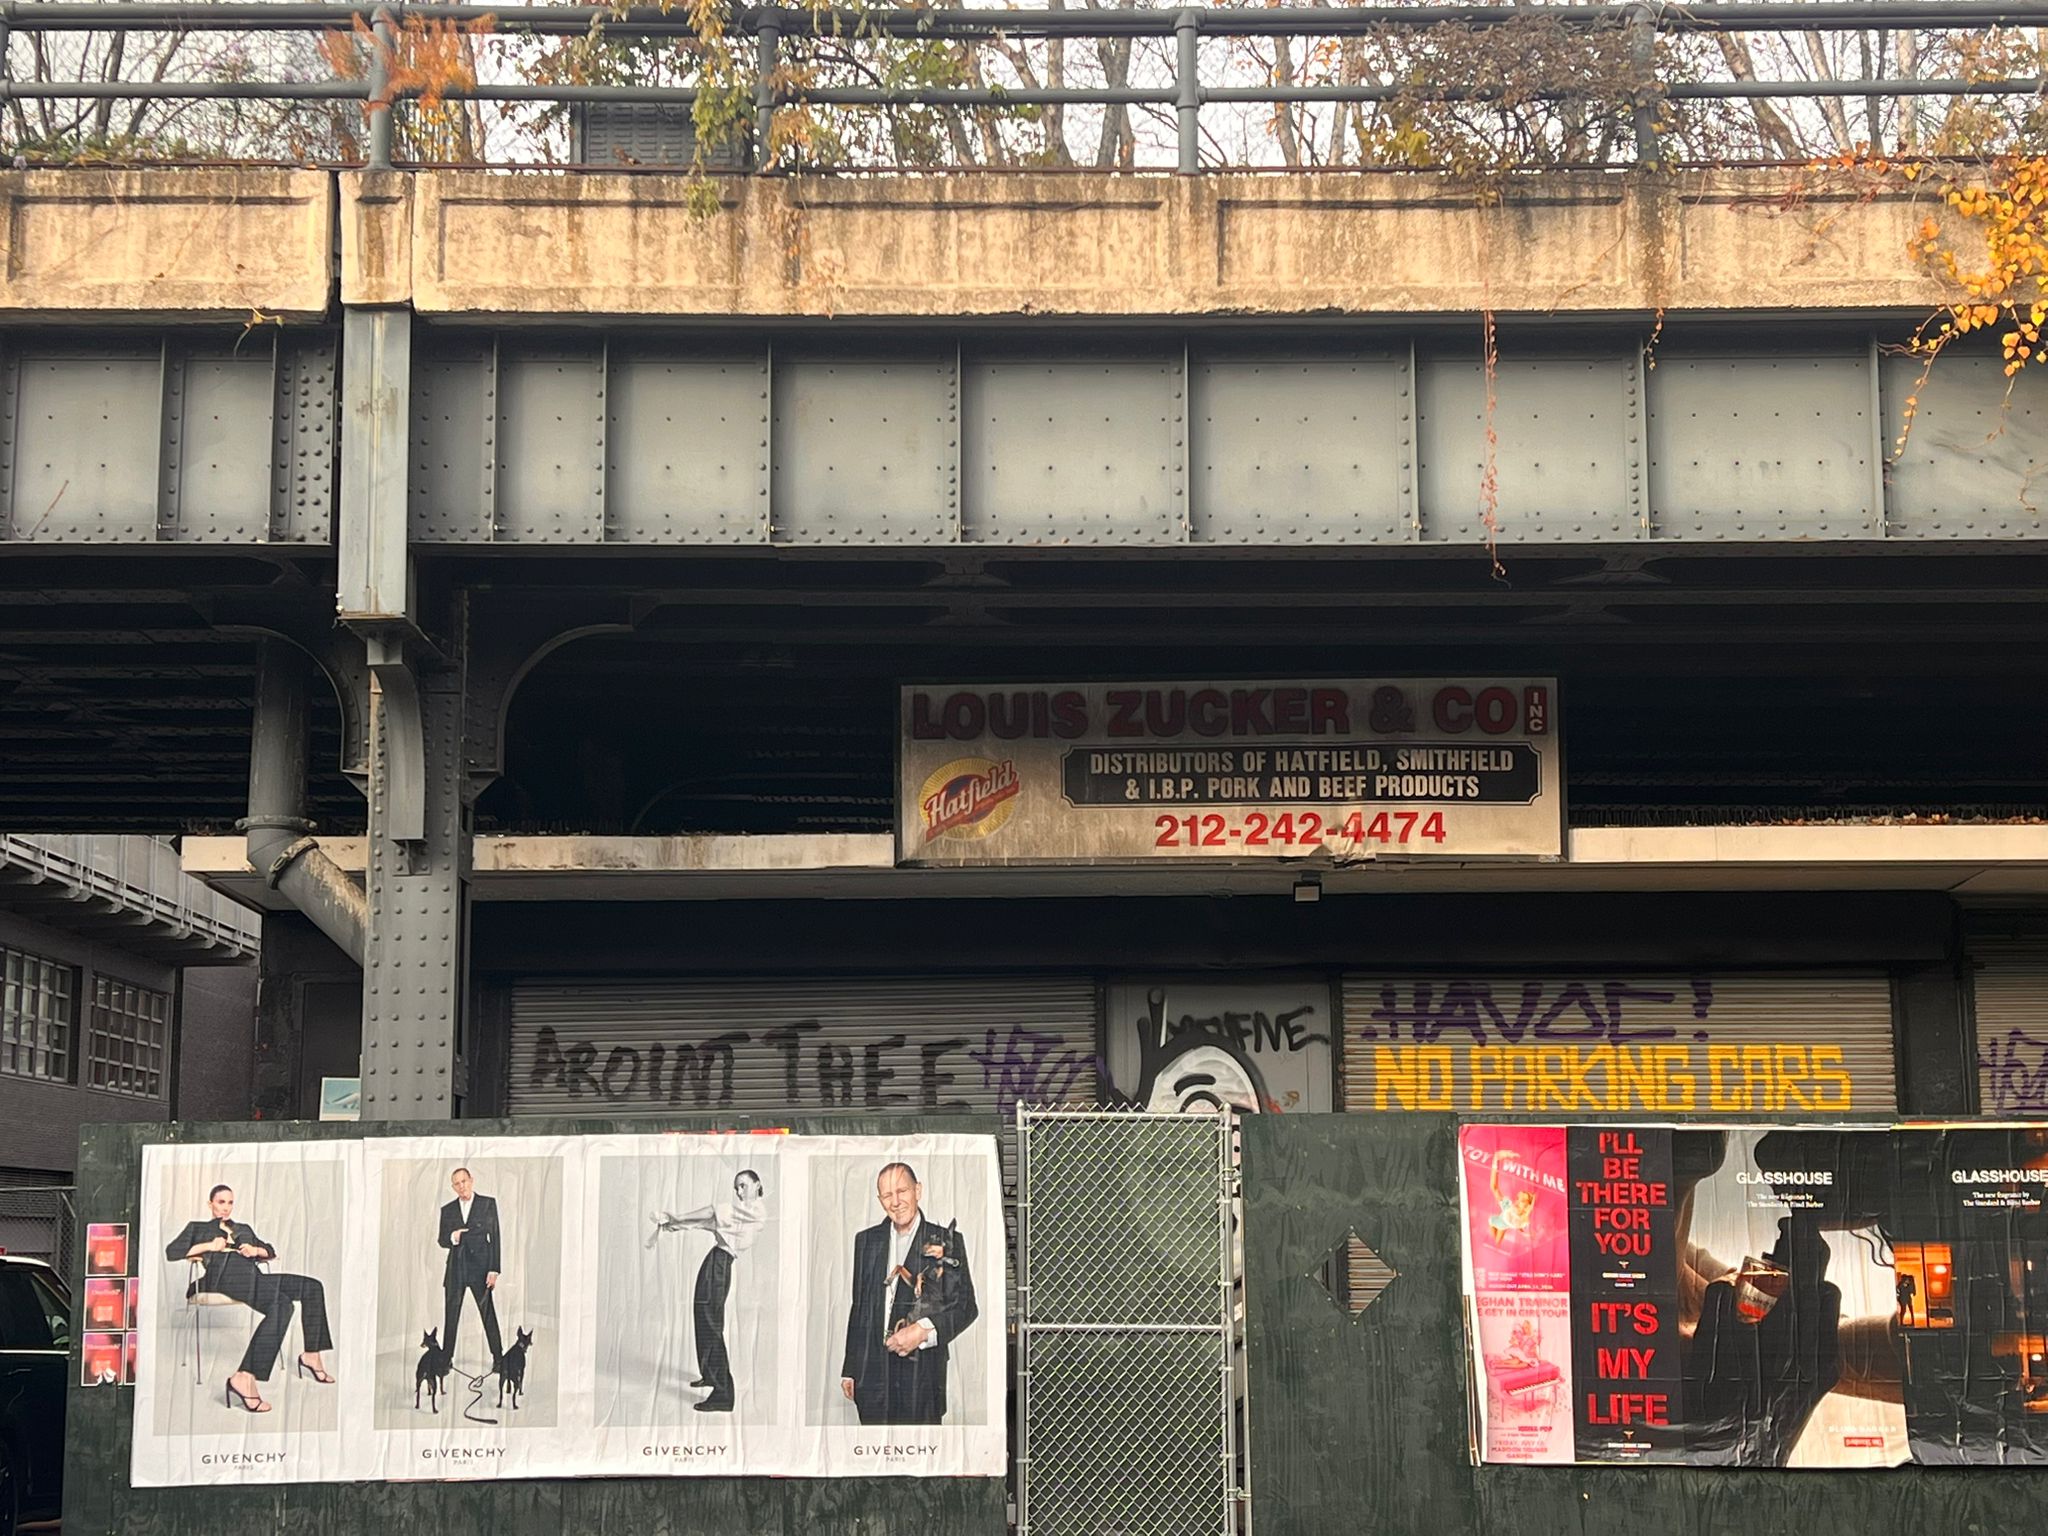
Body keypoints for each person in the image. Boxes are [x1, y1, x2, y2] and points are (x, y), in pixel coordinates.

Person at [166, 1183, 334, 1413]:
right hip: (225, 1275)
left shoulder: (242, 1228)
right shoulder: (198, 1228)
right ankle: (244, 1377)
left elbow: (269, 1251)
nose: (226, 1207)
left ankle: (311, 1355)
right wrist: (209, 1246)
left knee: (312, 1287)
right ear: (210, 1204)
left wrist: (256, 1251)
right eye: (221, 1202)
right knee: (282, 1305)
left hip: (253, 1276)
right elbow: (172, 1252)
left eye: (230, 1202)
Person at [839, 1161, 978, 1426]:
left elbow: (966, 1307)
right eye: (887, 1195)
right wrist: (851, 1369)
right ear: (880, 1200)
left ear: (918, 1190)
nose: (895, 1202)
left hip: (922, 1378)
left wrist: (924, 1331)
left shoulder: (946, 1241)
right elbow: (860, 1307)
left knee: (921, 1452)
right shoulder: (865, 1241)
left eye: (902, 1191)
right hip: (871, 1381)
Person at [652, 1169, 767, 1413]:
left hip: (720, 1264)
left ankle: (723, 1394)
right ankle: (710, 1374)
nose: (739, 1191)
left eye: (743, 1185)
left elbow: (712, 1212)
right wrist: (676, 1224)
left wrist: (677, 1217)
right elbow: (711, 1223)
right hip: (715, 1262)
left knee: (711, 1323)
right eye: (736, 1187)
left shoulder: (755, 1211)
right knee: (702, 1315)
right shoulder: (743, 1212)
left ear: (757, 1185)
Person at [438, 1167, 503, 1371]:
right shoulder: (447, 1210)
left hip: (480, 1269)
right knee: (451, 1316)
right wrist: (454, 1236)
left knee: (488, 1313)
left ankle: (499, 1359)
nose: (461, 1186)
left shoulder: (487, 1204)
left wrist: (494, 1270)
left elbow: (495, 1237)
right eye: (457, 1184)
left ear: (471, 1180)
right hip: (455, 1270)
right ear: (453, 1187)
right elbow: (442, 1240)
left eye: (464, 1181)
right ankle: (446, 1360)